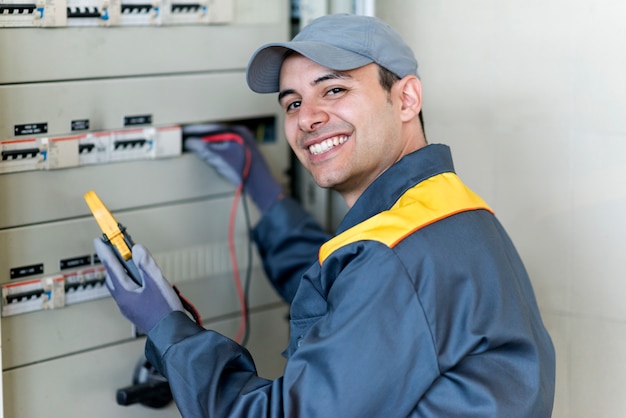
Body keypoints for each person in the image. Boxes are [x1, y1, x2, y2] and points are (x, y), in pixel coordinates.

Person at [94, 13, 556, 417]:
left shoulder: (395, 260)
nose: (307, 119)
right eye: (293, 102)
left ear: (407, 98)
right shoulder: (444, 209)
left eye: (334, 89)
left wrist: (168, 330)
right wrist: (269, 199)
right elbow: (343, 295)